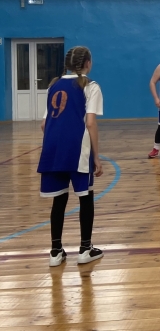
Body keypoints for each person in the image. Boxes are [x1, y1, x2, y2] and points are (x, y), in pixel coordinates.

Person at [38, 46, 104, 267]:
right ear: (87, 63)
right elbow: (91, 123)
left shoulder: (54, 85)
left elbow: (44, 124)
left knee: (59, 199)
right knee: (85, 197)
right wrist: (96, 156)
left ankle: (55, 251)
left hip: (52, 149)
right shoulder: (90, 86)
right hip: (77, 148)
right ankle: (85, 249)